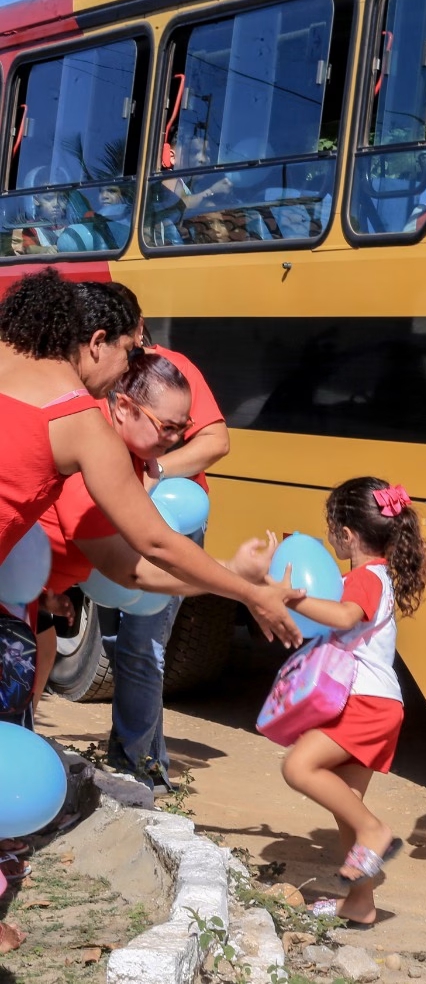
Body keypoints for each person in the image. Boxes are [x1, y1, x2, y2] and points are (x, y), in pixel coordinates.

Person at [0, 269, 300, 642]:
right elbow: (149, 549)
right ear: (97, 343)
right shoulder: (80, 423)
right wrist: (248, 589)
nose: (129, 367)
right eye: (128, 351)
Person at [35, 354, 275, 724]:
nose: (177, 439)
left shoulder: (133, 460)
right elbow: (138, 567)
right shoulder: (93, 455)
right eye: (167, 427)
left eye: (183, 427)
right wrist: (239, 580)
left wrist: (48, 592)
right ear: (124, 408)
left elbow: (156, 541)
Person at [98, 283, 231, 789]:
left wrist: (151, 470)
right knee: (117, 637)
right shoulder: (93, 379)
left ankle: (141, 767)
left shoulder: (168, 370)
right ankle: (132, 750)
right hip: (112, 519)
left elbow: (217, 440)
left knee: (143, 643)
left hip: (168, 519)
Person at [279, 477, 426, 929]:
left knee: (298, 767)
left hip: (366, 703)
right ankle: (360, 904)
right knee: (347, 809)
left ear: (346, 534)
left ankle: (376, 831)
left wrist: (294, 596)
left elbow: (344, 616)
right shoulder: (367, 576)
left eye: (330, 526)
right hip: (372, 702)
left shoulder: (365, 578)